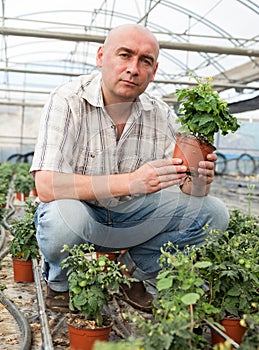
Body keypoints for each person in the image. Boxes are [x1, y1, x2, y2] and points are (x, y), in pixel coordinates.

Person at [30, 23, 229, 313]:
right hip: (81, 211)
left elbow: (187, 188)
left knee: (213, 214)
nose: (133, 68)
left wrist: (199, 179)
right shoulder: (67, 100)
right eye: (124, 55)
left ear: (154, 71)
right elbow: (46, 185)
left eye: (144, 61)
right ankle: (60, 283)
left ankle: (131, 272)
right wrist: (132, 182)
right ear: (101, 57)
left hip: (132, 216)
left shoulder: (159, 113)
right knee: (63, 216)